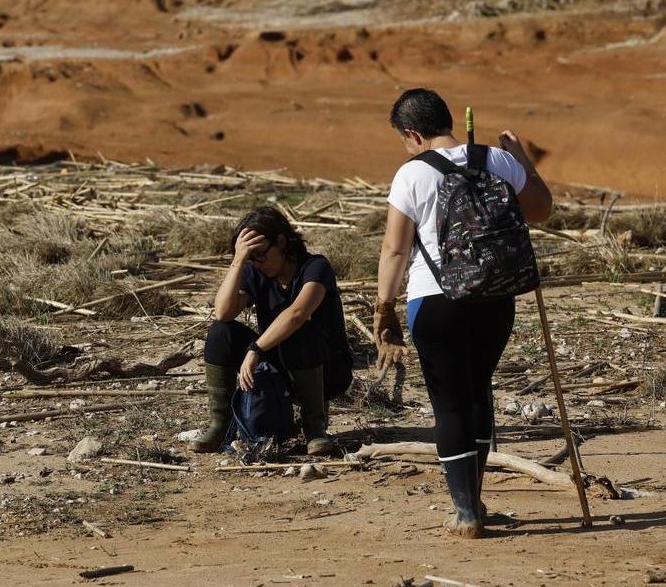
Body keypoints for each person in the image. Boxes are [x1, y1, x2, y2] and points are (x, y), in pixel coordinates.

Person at [374, 88, 553, 538]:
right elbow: (542, 210)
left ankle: (466, 513)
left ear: (413, 133)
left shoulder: (411, 174)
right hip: (497, 299)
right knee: (477, 391)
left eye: (403, 139)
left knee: (449, 403)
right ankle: (474, 501)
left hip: (436, 301)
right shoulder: (497, 159)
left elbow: (396, 250)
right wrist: (522, 160)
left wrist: (384, 308)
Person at [190, 206, 352, 457]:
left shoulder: (315, 268)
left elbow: (296, 314)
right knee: (221, 332)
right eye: (250, 257)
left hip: (325, 369)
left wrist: (255, 349)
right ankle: (220, 426)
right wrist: (238, 262)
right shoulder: (256, 271)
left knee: (299, 330)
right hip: (280, 366)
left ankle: (314, 428)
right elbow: (223, 312)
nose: (256, 263)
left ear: (281, 242)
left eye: (260, 255)